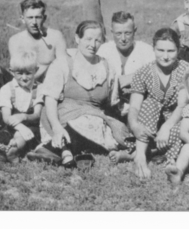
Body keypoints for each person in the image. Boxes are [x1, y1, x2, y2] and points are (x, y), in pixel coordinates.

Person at [38, 20, 132, 167]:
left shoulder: (107, 67)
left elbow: (113, 103)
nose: (92, 45)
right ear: (77, 39)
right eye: (88, 39)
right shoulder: (63, 63)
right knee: (81, 125)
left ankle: (60, 150)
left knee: (114, 137)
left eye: (97, 40)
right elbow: (50, 100)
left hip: (94, 116)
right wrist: (56, 126)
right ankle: (61, 146)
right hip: (63, 115)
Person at [127, 28, 189, 179]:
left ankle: (168, 158)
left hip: (175, 120)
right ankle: (141, 157)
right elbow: (135, 106)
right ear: (153, 49)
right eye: (160, 50)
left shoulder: (186, 70)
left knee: (184, 127)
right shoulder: (143, 72)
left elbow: (182, 106)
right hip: (150, 122)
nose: (165, 56)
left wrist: (166, 127)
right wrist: (134, 125)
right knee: (150, 103)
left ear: (178, 49)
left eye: (171, 51)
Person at [97, 11, 155, 119]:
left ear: (135, 31)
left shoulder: (146, 50)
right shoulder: (104, 50)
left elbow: (157, 74)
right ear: (111, 32)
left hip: (139, 110)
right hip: (109, 110)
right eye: (118, 33)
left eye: (127, 33)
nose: (123, 39)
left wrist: (130, 79)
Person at [0, 51, 44, 161]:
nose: (24, 77)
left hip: (33, 127)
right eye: (19, 73)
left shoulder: (39, 89)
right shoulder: (7, 89)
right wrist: (21, 127)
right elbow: (6, 117)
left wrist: (24, 117)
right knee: (9, 134)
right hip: (11, 126)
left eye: (28, 73)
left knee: (24, 135)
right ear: (11, 72)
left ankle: (15, 147)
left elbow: (37, 114)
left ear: (36, 70)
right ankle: (13, 147)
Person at [8, 0, 67, 84]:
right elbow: (16, 71)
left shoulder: (56, 36)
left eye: (38, 17)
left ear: (44, 18)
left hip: (50, 84)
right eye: (30, 17)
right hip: (25, 84)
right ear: (22, 19)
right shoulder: (15, 40)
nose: (34, 22)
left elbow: (64, 66)